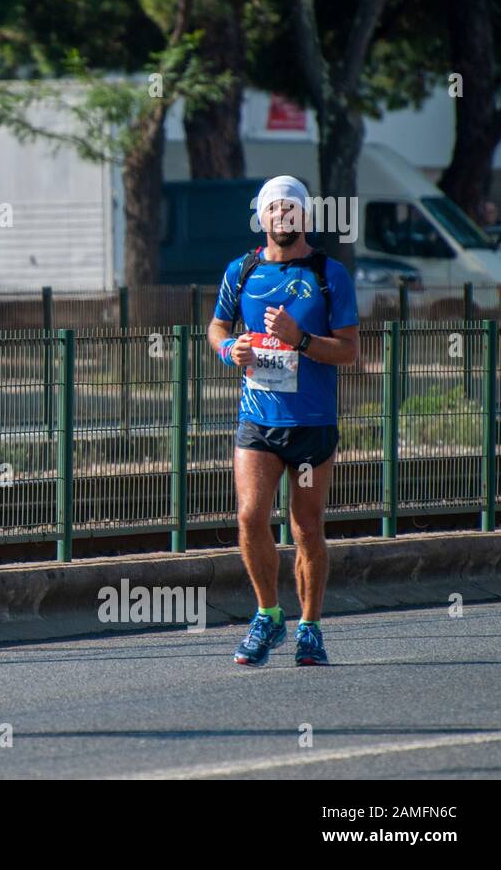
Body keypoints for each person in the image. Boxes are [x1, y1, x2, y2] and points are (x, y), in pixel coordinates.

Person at [209, 175, 359, 667]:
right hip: (258, 420)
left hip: (311, 424)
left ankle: (310, 628)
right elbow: (216, 328)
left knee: (306, 527)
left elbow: (349, 351)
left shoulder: (327, 273)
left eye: (290, 210)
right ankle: (268, 615)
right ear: (263, 217)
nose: (281, 217)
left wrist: (299, 339)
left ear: (305, 218)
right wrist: (232, 348)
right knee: (250, 517)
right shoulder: (242, 270)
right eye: (273, 209)